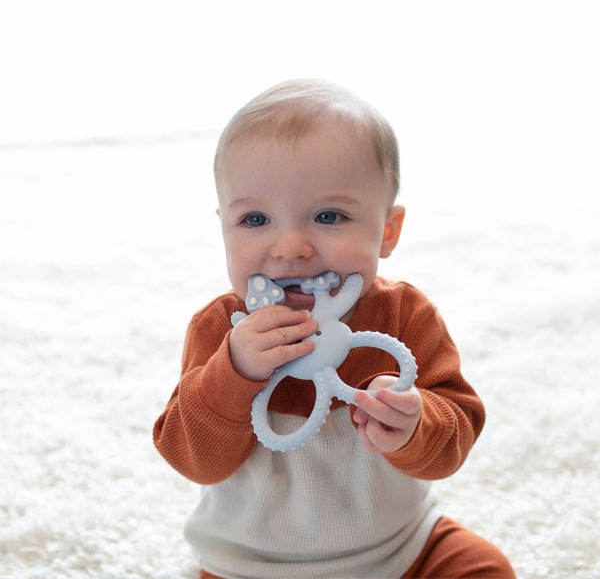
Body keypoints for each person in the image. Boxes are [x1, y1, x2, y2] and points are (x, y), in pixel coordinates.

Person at [153, 79, 515, 579]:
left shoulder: (405, 316)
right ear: (223, 226)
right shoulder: (222, 328)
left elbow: (454, 439)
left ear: (387, 231)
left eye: (329, 216)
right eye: (255, 218)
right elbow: (193, 461)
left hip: (399, 550)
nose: (290, 246)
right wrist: (233, 373)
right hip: (247, 566)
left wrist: (414, 424)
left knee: (483, 568)